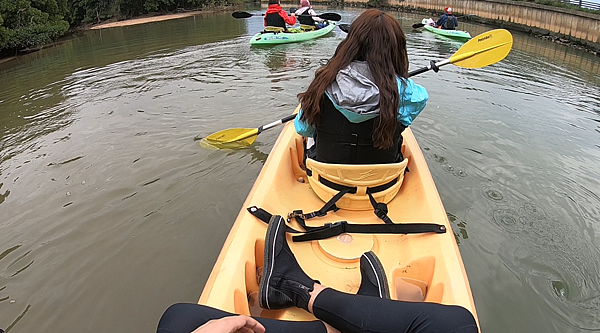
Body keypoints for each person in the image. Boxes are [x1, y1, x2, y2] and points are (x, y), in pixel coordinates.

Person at [157, 216, 479, 333]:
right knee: (459, 323)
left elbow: (302, 128)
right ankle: (360, 314)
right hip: (385, 174)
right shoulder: (407, 93)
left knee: (178, 319)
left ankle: (294, 286)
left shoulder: (324, 86)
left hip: (324, 173)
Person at [294, 9, 429, 165]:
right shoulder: (407, 92)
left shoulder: (323, 81)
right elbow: (419, 101)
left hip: (327, 181)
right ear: (396, 47)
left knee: (312, 133)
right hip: (384, 184)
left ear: (351, 42)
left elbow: (303, 129)